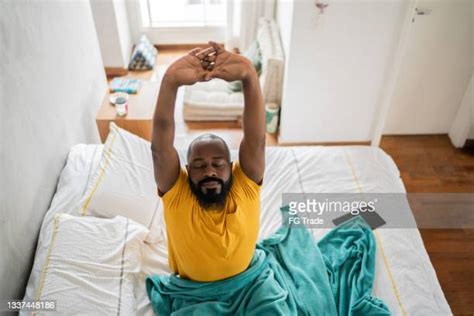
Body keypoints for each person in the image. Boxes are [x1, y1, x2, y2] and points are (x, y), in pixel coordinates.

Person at [150, 41, 266, 282]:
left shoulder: (245, 187)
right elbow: (160, 149)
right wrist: (170, 81)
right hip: (193, 294)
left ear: (232, 167)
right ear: (187, 170)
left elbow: (256, 140)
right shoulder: (178, 195)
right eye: (200, 165)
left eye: (218, 163)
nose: (209, 171)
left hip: (251, 284)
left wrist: (249, 75)